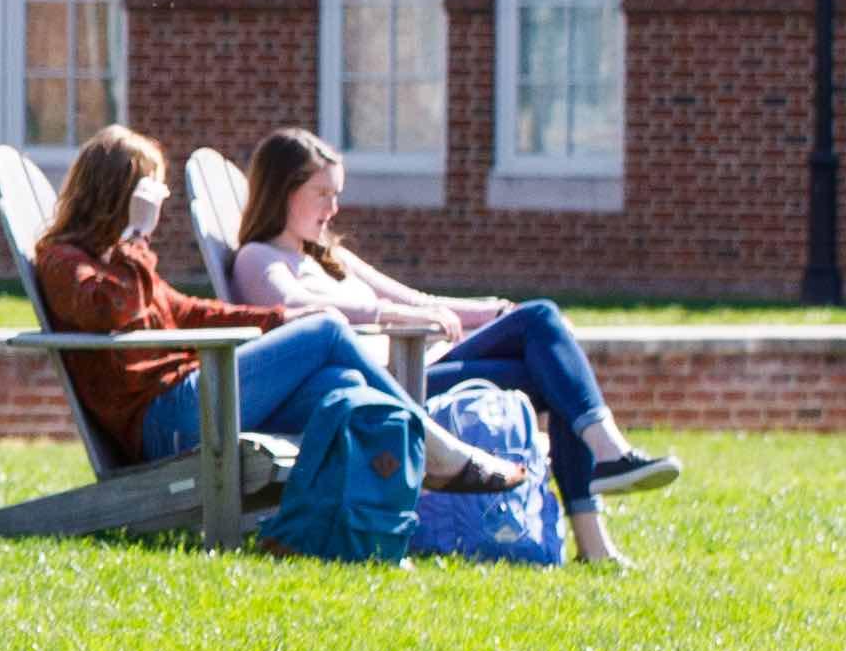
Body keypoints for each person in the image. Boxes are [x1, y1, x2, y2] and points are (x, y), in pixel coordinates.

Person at [218, 127, 679, 566]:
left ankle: (598, 521)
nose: (334, 208)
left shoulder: (331, 259)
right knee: (544, 332)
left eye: (337, 194)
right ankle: (607, 458)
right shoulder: (258, 259)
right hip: (392, 387)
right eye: (323, 194)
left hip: (424, 365)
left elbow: (419, 300)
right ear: (284, 191)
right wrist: (398, 318)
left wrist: (493, 311)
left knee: (542, 329)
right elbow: (296, 307)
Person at [23, 122, 523, 507]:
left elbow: (188, 311)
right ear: (120, 195)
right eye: (152, 192)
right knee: (326, 327)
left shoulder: (124, 263)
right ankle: (437, 449)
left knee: (342, 383)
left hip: (195, 401)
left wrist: (277, 321)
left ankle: (369, 525)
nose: (164, 202)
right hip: (167, 423)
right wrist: (136, 237)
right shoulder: (64, 261)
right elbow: (108, 313)